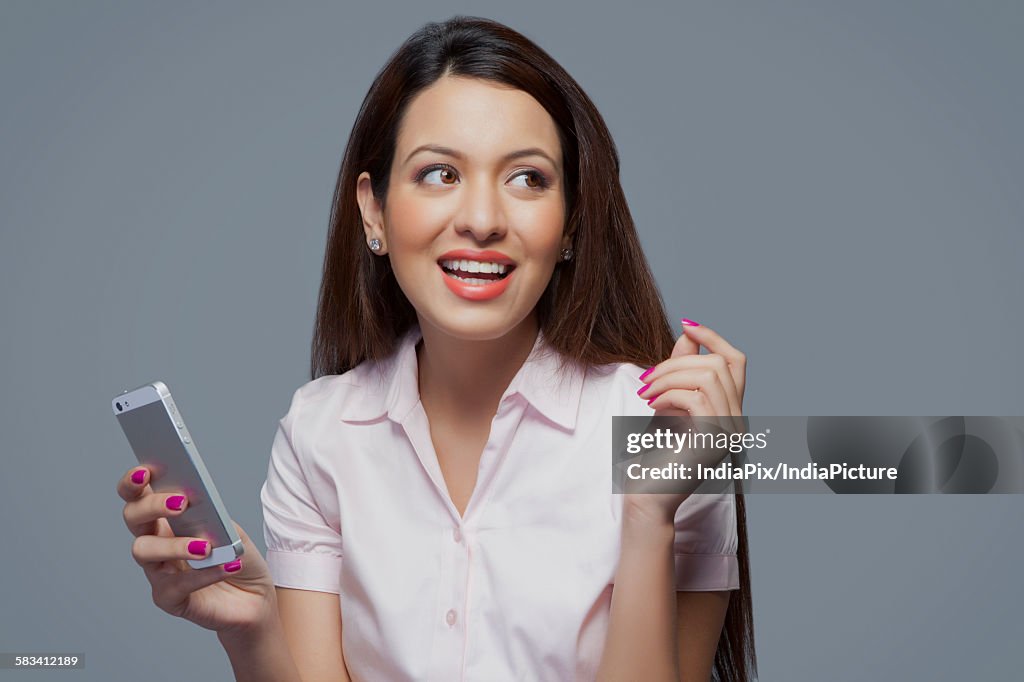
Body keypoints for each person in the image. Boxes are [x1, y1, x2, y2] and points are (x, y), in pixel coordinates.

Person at [116, 15, 756, 681]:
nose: (481, 219)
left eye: (528, 179)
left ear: (571, 224)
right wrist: (252, 629)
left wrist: (650, 517)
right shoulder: (319, 434)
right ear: (374, 212)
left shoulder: (669, 430)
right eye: (440, 173)